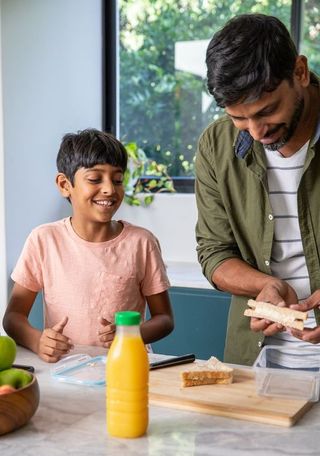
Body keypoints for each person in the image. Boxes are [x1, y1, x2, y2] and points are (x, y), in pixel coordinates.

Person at [195, 13, 320, 366]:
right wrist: (264, 284)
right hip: (256, 366)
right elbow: (214, 253)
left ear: (299, 72)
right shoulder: (217, 146)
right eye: (238, 118)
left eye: (267, 111)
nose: (255, 132)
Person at [3, 129, 174, 362]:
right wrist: (37, 341)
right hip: (64, 369)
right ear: (65, 185)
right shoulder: (43, 240)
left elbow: (164, 319)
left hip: (127, 365)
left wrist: (129, 335)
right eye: (95, 179)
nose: (109, 189)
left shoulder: (141, 242)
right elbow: (13, 317)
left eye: (117, 180)